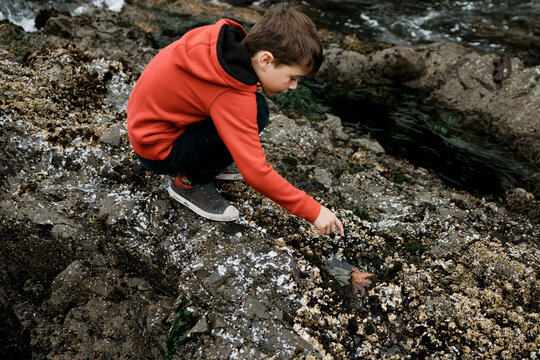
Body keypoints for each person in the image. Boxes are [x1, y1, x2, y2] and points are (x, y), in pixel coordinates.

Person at [127, 6, 344, 236]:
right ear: (266, 60)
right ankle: (189, 184)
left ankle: (209, 160)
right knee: (256, 111)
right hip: (160, 152)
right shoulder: (230, 95)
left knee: (255, 107)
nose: (293, 86)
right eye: (293, 77)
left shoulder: (219, 44)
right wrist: (314, 210)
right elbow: (257, 174)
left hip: (146, 128)